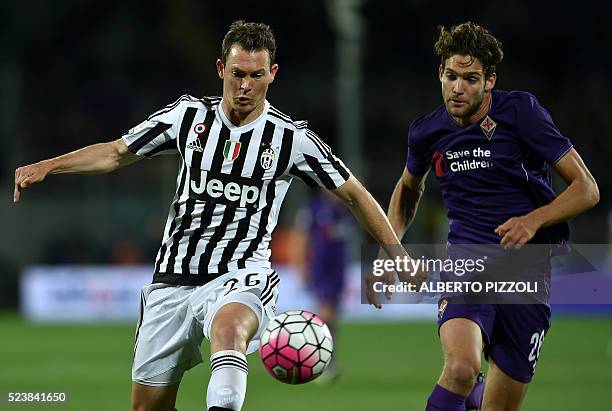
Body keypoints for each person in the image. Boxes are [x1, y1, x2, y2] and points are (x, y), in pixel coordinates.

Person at [14, 20, 410, 411]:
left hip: (240, 274)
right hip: (172, 280)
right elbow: (117, 152)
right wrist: (49, 165)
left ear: (272, 74)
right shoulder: (186, 117)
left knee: (229, 329)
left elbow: (354, 193)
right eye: (237, 74)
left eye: (257, 75)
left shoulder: (291, 139)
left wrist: (395, 252)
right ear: (221, 69)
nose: (245, 86)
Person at [376, 22, 599, 411]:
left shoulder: (521, 113)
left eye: (470, 78)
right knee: (461, 369)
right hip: (467, 262)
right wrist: (389, 250)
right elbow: (409, 189)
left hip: (527, 270)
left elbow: (586, 188)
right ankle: (469, 389)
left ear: (489, 80)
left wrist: (534, 219)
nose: (457, 88)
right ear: (440, 74)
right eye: (450, 76)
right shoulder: (427, 132)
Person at [292, 189, 354, 380]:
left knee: (333, 317)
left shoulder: (347, 209)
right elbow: (301, 237)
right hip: (322, 267)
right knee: (325, 314)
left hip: (339, 268)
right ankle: (322, 361)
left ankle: (324, 359)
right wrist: (301, 265)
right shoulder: (314, 208)